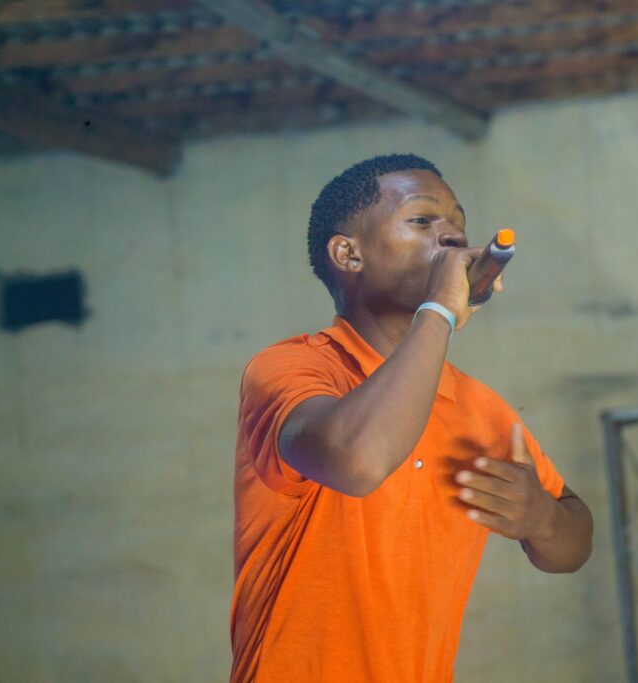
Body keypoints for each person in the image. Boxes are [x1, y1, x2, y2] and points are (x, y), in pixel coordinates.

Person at [230, 154, 593, 682]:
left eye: (458, 224)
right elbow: (358, 462)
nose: (453, 237)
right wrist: (440, 308)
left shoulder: (476, 407)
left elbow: (574, 543)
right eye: (422, 220)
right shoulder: (292, 369)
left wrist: (542, 519)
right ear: (348, 254)